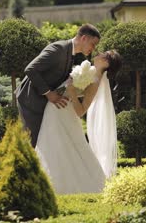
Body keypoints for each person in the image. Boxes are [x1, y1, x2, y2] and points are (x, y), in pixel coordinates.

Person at [35, 50, 122, 194]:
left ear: (106, 63)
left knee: (60, 146)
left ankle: (59, 187)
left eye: (103, 54)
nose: (99, 53)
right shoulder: (91, 73)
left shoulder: (95, 80)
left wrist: (71, 91)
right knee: (56, 147)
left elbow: (81, 110)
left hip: (62, 111)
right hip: (58, 109)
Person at [16, 24, 101, 148]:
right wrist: (49, 94)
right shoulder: (58, 48)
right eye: (93, 44)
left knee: (42, 145)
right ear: (83, 38)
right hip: (30, 101)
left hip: (41, 103)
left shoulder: (71, 54)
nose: (93, 49)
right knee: (32, 144)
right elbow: (30, 69)